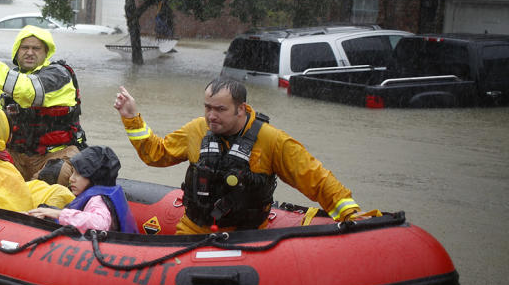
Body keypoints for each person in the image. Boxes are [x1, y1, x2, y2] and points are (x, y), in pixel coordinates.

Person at [113, 77, 363, 235]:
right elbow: (156, 154)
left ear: (241, 109)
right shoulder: (196, 130)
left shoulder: (271, 140)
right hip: (193, 230)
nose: (211, 116)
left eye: (220, 109)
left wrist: (352, 215)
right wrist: (131, 117)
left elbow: (316, 179)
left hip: (248, 235)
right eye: (207, 108)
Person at [0, 25, 86, 186]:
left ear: (46, 53)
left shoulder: (58, 74)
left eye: (36, 48)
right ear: (17, 51)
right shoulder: (8, 81)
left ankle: (42, 203)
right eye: (25, 47)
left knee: (56, 172)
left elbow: (27, 91)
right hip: (16, 155)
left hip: (56, 155)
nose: (30, 52)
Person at [28, 146, 138, 234]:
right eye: (73, 172)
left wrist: (59, 214)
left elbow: (100, 224)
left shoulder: (98, 200)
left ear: (94, 178)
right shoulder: (100, 193)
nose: (71, 179)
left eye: (79, 174)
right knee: (45, 210)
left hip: (107, 251)